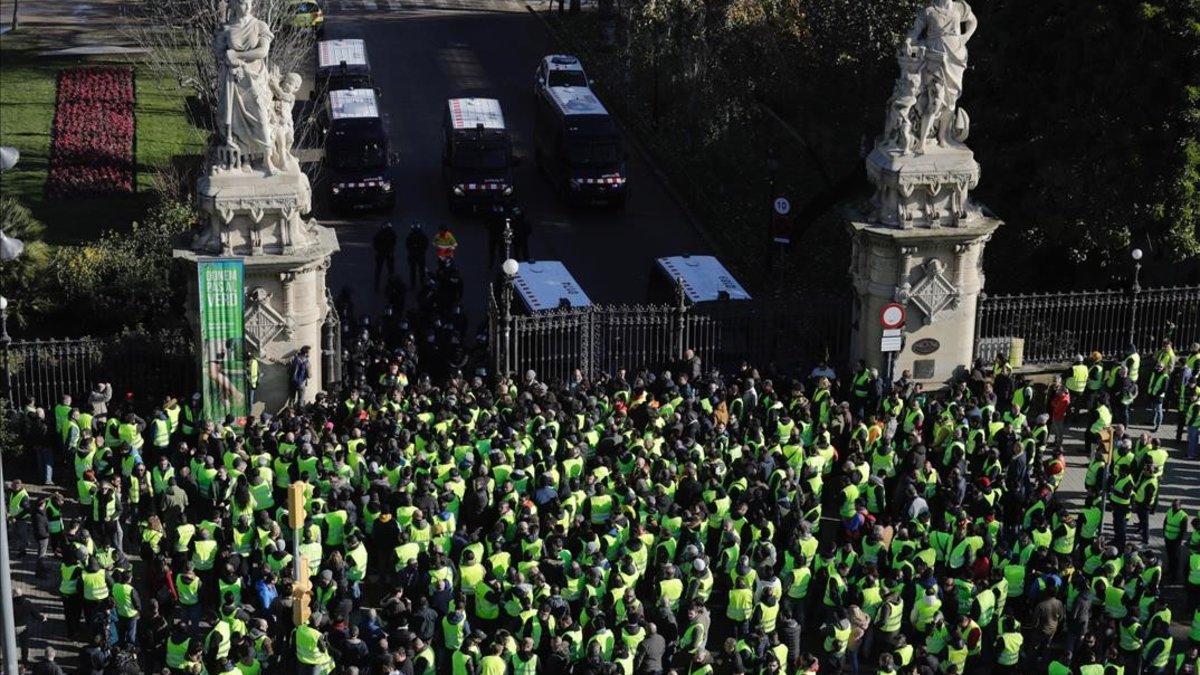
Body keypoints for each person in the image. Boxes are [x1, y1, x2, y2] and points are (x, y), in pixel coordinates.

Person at [373, 220, 398, 290]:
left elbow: (375, 243)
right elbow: (394, 242)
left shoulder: (379, 234)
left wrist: (378, 250)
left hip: (381, 253)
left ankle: (376, 286)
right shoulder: (392, 233)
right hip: (388, 253)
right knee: (390, 269)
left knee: (379, 269)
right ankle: (391, 284)